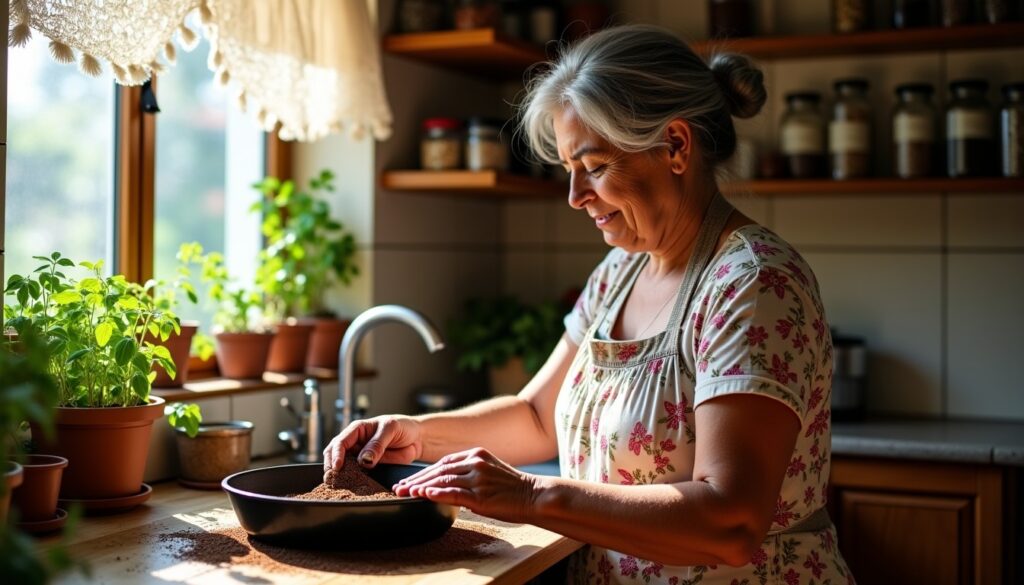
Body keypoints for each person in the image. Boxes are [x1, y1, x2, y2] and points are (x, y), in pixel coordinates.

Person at [324, 24, 855, 584]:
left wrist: (530, 494)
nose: (577, 197)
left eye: (595, 167)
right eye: (569, 171)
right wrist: (419, 434)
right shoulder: (621, 271)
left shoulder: (753, 283)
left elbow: (731, 521)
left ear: (675, 145)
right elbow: (537, 418)